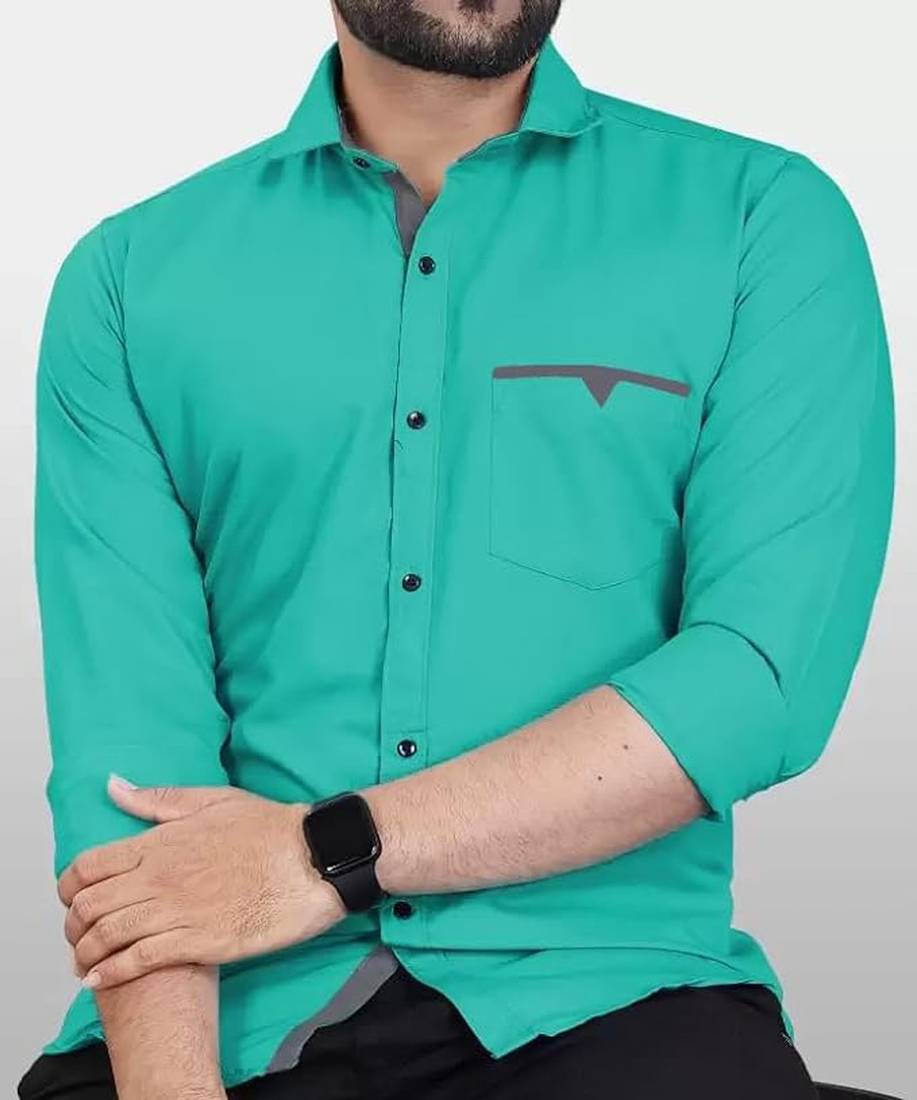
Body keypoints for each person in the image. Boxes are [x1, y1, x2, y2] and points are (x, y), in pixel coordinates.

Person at [18, 1, 894, 1098]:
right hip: (223, 1018)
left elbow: (758, 679)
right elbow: (128, 753)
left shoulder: (758, 220)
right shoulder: (130, 279)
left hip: (609, 1002)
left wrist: (322, 854)